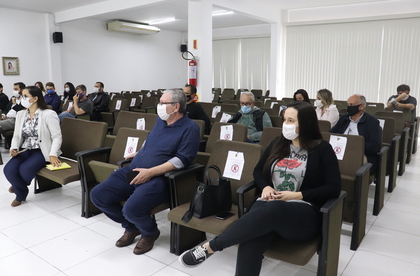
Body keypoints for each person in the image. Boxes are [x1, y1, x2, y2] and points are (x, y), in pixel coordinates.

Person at [179, 101, 341, 275]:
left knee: (275, 208)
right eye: (285, 120)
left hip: (302, 213)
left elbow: (334, 188)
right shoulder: (279, 142)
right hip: (267, 203)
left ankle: (211, 246)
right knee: (250, 240)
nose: (285, 124)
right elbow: (258, 171)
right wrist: (266, 187)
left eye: (291, 121)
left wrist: (297, 195)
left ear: (306, 123)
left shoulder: (322, 149)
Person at [90, 89, 200, 255]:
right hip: (134, 170)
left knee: (131, 209)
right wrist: (141, 151)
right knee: (98, 195)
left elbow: (182, 160)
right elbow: (151, 140)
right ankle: (132, 227)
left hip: (159, 178)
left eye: (163, 103)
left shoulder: (190, 128)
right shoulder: (160, 121)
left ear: (176, 107)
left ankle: (149, 233)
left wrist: (150, 172)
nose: (159, 106)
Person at [4, 86, 62, 207]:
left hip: (42, 150)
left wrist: (52, 154)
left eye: (25, 96)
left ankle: (19, 193)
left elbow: (57, 137)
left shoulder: (48, 114)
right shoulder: (21, 114)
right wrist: (14, 148)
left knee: (25, 169)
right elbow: (16, 135)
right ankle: (19, 187)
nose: (22, 98)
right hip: (25, 148)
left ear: (35, 98)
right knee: (8, 169)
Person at [330, 94, 381, 174]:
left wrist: (353, 146)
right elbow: (331, 134)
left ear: (361, 106)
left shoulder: (372, 122)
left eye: (351, 105)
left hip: (359, 154)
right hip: (339, 151)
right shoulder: (344, 118)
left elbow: (375, 146)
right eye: (347, 104)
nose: (348, 107)